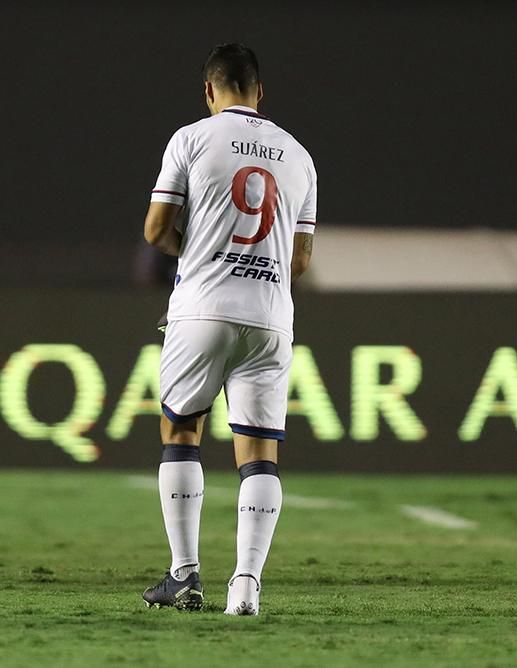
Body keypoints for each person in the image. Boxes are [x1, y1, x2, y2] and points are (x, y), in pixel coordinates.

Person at [140, 43, 317, 615]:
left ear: (209, 92)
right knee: (259, 455)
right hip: (270, 316)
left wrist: (192, 252)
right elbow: (301, 260)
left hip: (201, 308)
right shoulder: (299, 156)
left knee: (182, 433)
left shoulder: (190, 138)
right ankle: (246, 586)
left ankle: (185, 575)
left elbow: (155, 229)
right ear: (260, 93)